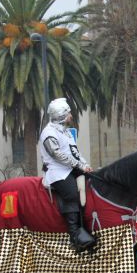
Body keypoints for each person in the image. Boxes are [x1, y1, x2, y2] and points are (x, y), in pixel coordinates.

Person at [38, 97, 96, 251]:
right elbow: (57, 155)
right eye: (69, 112)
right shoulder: (48, 133)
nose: (71, 115)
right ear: (62, 115)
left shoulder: (66, 133)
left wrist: (85, 165)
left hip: (71, 169)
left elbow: (74, 152)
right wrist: (79, 165)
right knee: (72, 195)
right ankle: (75, 235)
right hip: (58, 172)